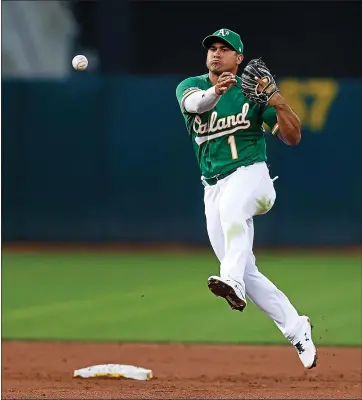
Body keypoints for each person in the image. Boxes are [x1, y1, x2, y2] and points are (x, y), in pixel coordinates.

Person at [175, 28, 317, 369]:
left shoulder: (252, 92)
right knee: (244, 266)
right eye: (213, 48)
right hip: (213, 188)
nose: (216, 53)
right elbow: (196, 104)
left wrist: (277, 100)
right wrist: (214, 92)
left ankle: (232, 282)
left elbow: (292, 136)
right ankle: (297, 328)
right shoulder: (190, 86)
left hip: (253, 178)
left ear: (239, 59)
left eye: (225, 49)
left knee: (234, 218)